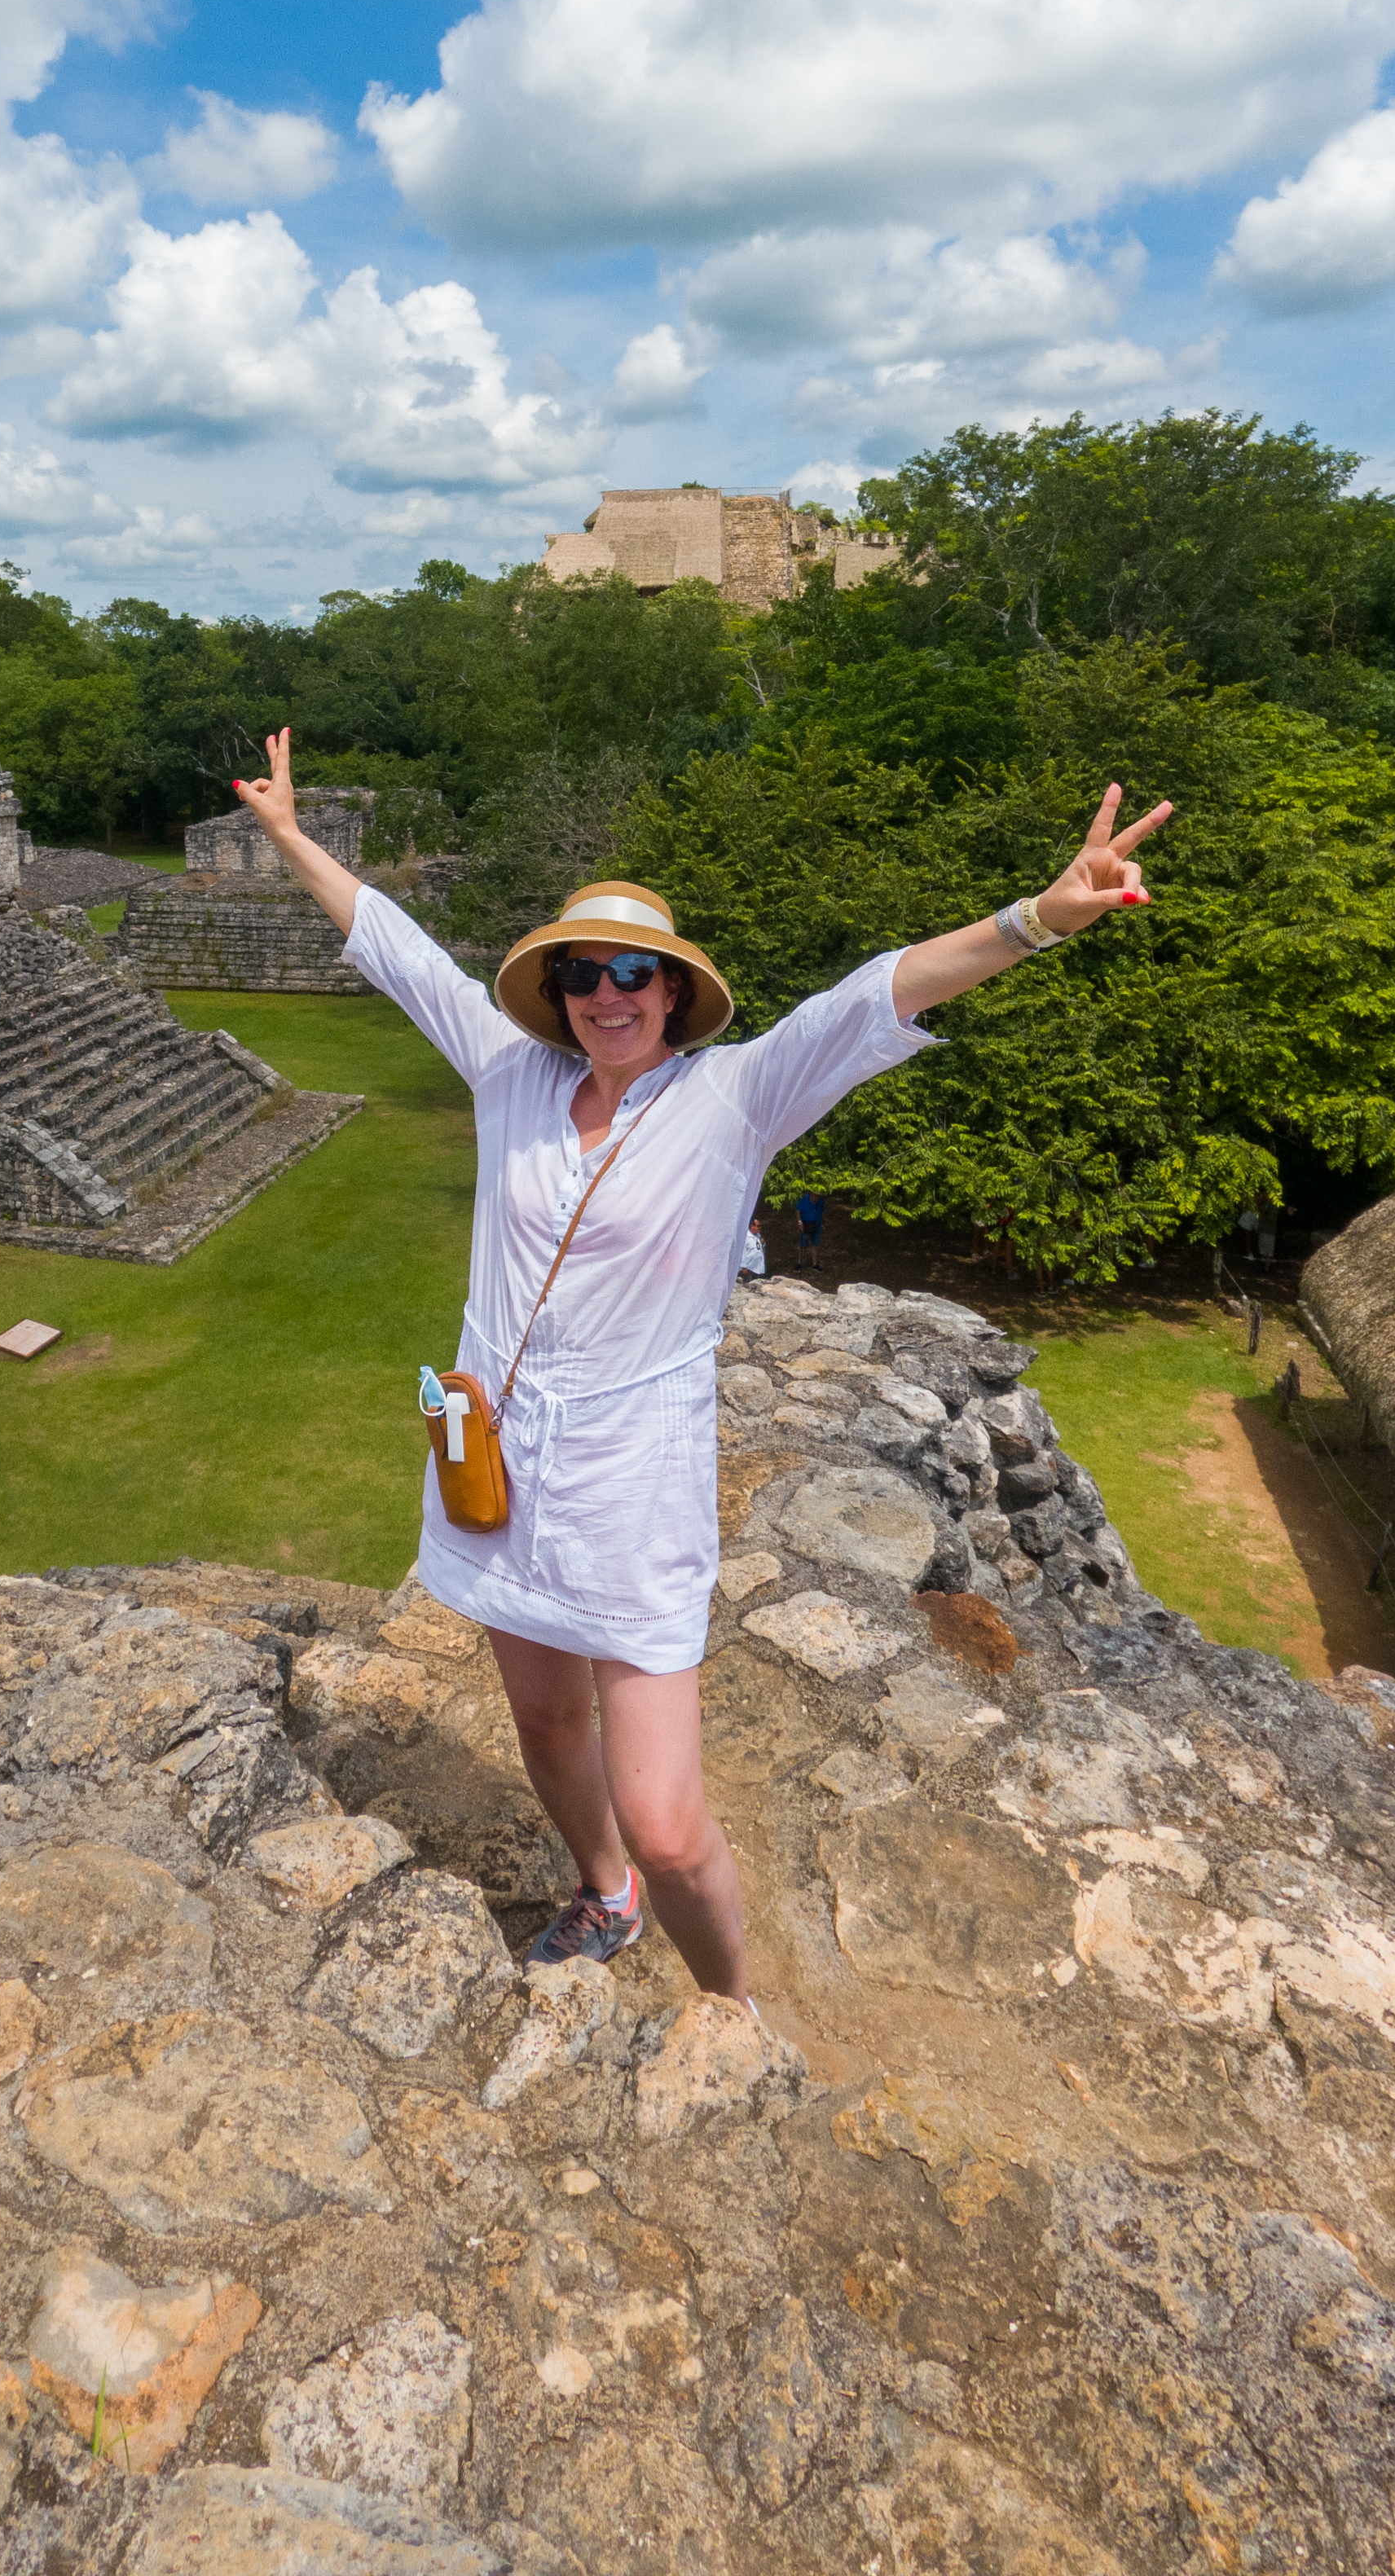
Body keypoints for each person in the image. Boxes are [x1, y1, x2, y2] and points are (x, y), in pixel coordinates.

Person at [227, 725, 1168, 2036]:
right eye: (583, 974)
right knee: (545, 1724)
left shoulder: (733, 1097)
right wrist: (287, 836)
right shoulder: (511, 1076)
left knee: (670, 1821)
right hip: (496, 1452)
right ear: (557, 991)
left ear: (673, 992)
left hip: (629, 1482)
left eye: (635, 974)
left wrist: (1038, 919)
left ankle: (733, 2011)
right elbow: (399, 950)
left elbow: (876, 996)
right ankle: (599, 1892)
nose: (607, 995)